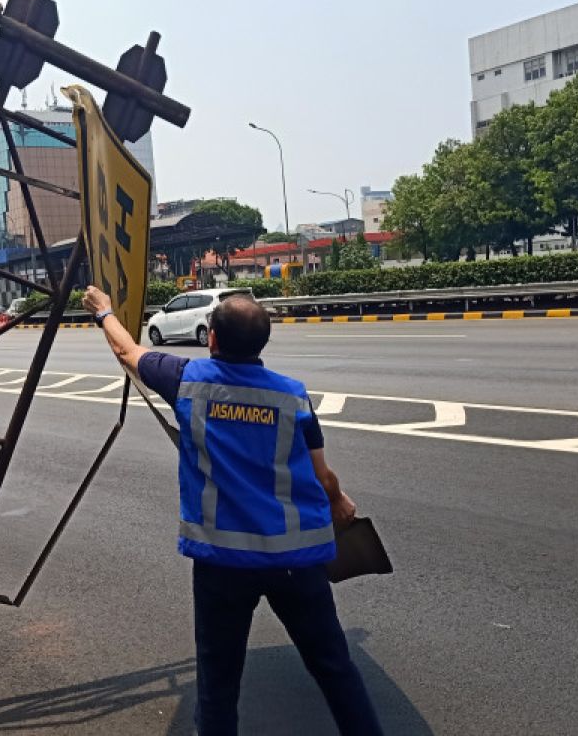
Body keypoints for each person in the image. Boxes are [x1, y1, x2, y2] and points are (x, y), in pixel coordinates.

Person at [82, 286, 383, 736]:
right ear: (262, 343)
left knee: (218, 685)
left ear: (212, 339)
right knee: (335, 669)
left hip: (223, 563)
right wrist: (339, 501)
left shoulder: (187, 379)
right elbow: (323, 476)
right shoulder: (292, 396)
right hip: (296, 563)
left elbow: (128, 352)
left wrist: (104, 311)